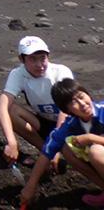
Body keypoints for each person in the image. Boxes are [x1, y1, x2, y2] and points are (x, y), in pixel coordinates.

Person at [20, 78, 104, 208]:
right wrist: (30, 186)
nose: (82, 104)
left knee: (96, 151)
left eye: (81, 97)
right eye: (74, 102)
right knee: (67, 149)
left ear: (87, 94)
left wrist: (91, 138)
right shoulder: (70, 125)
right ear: (67, 110)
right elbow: (46, 153)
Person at [0, 35, 73, 167]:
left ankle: (54, 152)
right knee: (11, 110)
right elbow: (2, 108)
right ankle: (46, 153)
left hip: (68, 124)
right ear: (22, 59)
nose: (39, 65)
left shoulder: (60, 72)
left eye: (43, 58)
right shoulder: (18, 74)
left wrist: (54, 143)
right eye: (32, 59)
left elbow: (65, 110)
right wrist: (12, 142)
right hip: (44, 122)